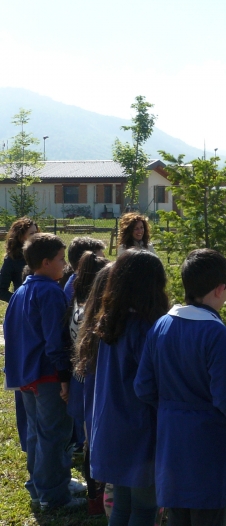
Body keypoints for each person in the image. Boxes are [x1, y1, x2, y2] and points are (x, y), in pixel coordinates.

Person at [133, 249, 226, 526]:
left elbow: (143, 386)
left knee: (178, 517)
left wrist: (171, 409)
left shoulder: (161, 325)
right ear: (221, 289)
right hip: (209, 444)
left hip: (171, 442)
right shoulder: (216, 332)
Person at [2, 232, 87, 511]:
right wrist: (64, 378)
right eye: (62, 260)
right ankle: (53, 495)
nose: (65, 266)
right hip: (48, 375)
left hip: (26, 375)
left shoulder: (23, 289)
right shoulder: (50, 291)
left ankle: (42, 486)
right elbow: (56, 341)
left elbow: (10, 332)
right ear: (46, 262)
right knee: (54, 434)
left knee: (37, 433)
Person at [90, 250, 169, 526]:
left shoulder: (110, 321)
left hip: (111, 428)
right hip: (139, 431)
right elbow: (151, 385)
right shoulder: (147, 328)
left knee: (122, 505)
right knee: (146, 509)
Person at [73, 262, 114, 516]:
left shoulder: (90, 318)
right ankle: (102, 500)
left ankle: (96, 501)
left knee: (92, 444)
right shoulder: (109, 324)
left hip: (93, 399)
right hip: (106, 400)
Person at [0, 217, 38, 454]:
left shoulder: (41, 254)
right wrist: (17, 298)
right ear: (19, 235)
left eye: (36, 232)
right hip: (21, 317)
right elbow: (0, 288)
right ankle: (27, 439)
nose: (34, 236)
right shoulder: (12, 260)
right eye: (30, 233)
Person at [63, 237, 106, 303]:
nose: (104, 263)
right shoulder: (75, 288)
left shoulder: (77, 281)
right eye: (100, 260)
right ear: (85, 261)